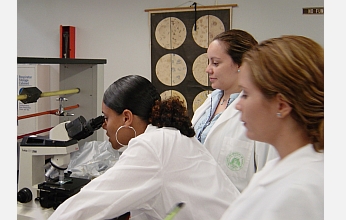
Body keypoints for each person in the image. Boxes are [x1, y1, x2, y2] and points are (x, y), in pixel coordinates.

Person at [49, 75, 240, 220]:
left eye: (107, 118)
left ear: (126, 117)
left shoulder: (151, 146)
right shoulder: (170, 136)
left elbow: (89, 204)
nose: (105, 126)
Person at [220, 35, 324, 219]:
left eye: (246, 94)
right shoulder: (279, 167)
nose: (237, 105)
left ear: (281, 105)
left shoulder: (302, 190)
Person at [192, 29, 278, 192]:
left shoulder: (260, 111)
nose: (208, 69)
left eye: (216, 63)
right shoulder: (207, 104)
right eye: (208, 62)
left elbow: (268, 176)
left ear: (241, 64)